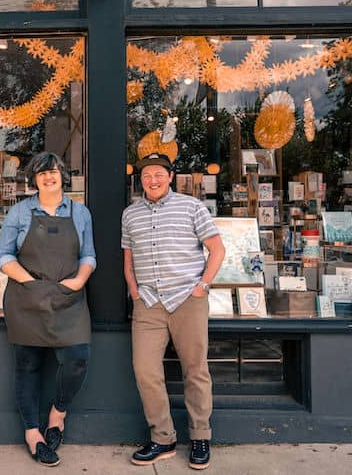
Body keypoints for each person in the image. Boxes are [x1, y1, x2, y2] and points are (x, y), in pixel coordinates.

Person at [121, 152, 225, 470]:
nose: (152, 179)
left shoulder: (192, 207)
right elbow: (129, 257)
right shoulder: (130, 214)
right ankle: (163, 438)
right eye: (146, 175)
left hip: (187, 300)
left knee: (195, 369)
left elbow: (217, 249)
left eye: (158, 174)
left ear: (169, 176)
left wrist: (202, 287)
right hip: (149, 304)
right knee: (145, 371)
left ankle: (200, 437)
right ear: (141, 180)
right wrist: (134, 290)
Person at [0, 152, 96, 467]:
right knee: (28, 367)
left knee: (77, 359)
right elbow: (3, 255)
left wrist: (79, 281)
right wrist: (31, 283)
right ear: (34, 179)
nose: (47, 177)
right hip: (27, 299)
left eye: (52, 171)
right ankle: (32, 433)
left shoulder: (80, 213)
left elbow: (89, 255)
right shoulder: (20, 213)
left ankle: (58, 413)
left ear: (62, 175)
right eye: (41, 173)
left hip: (68, 298)